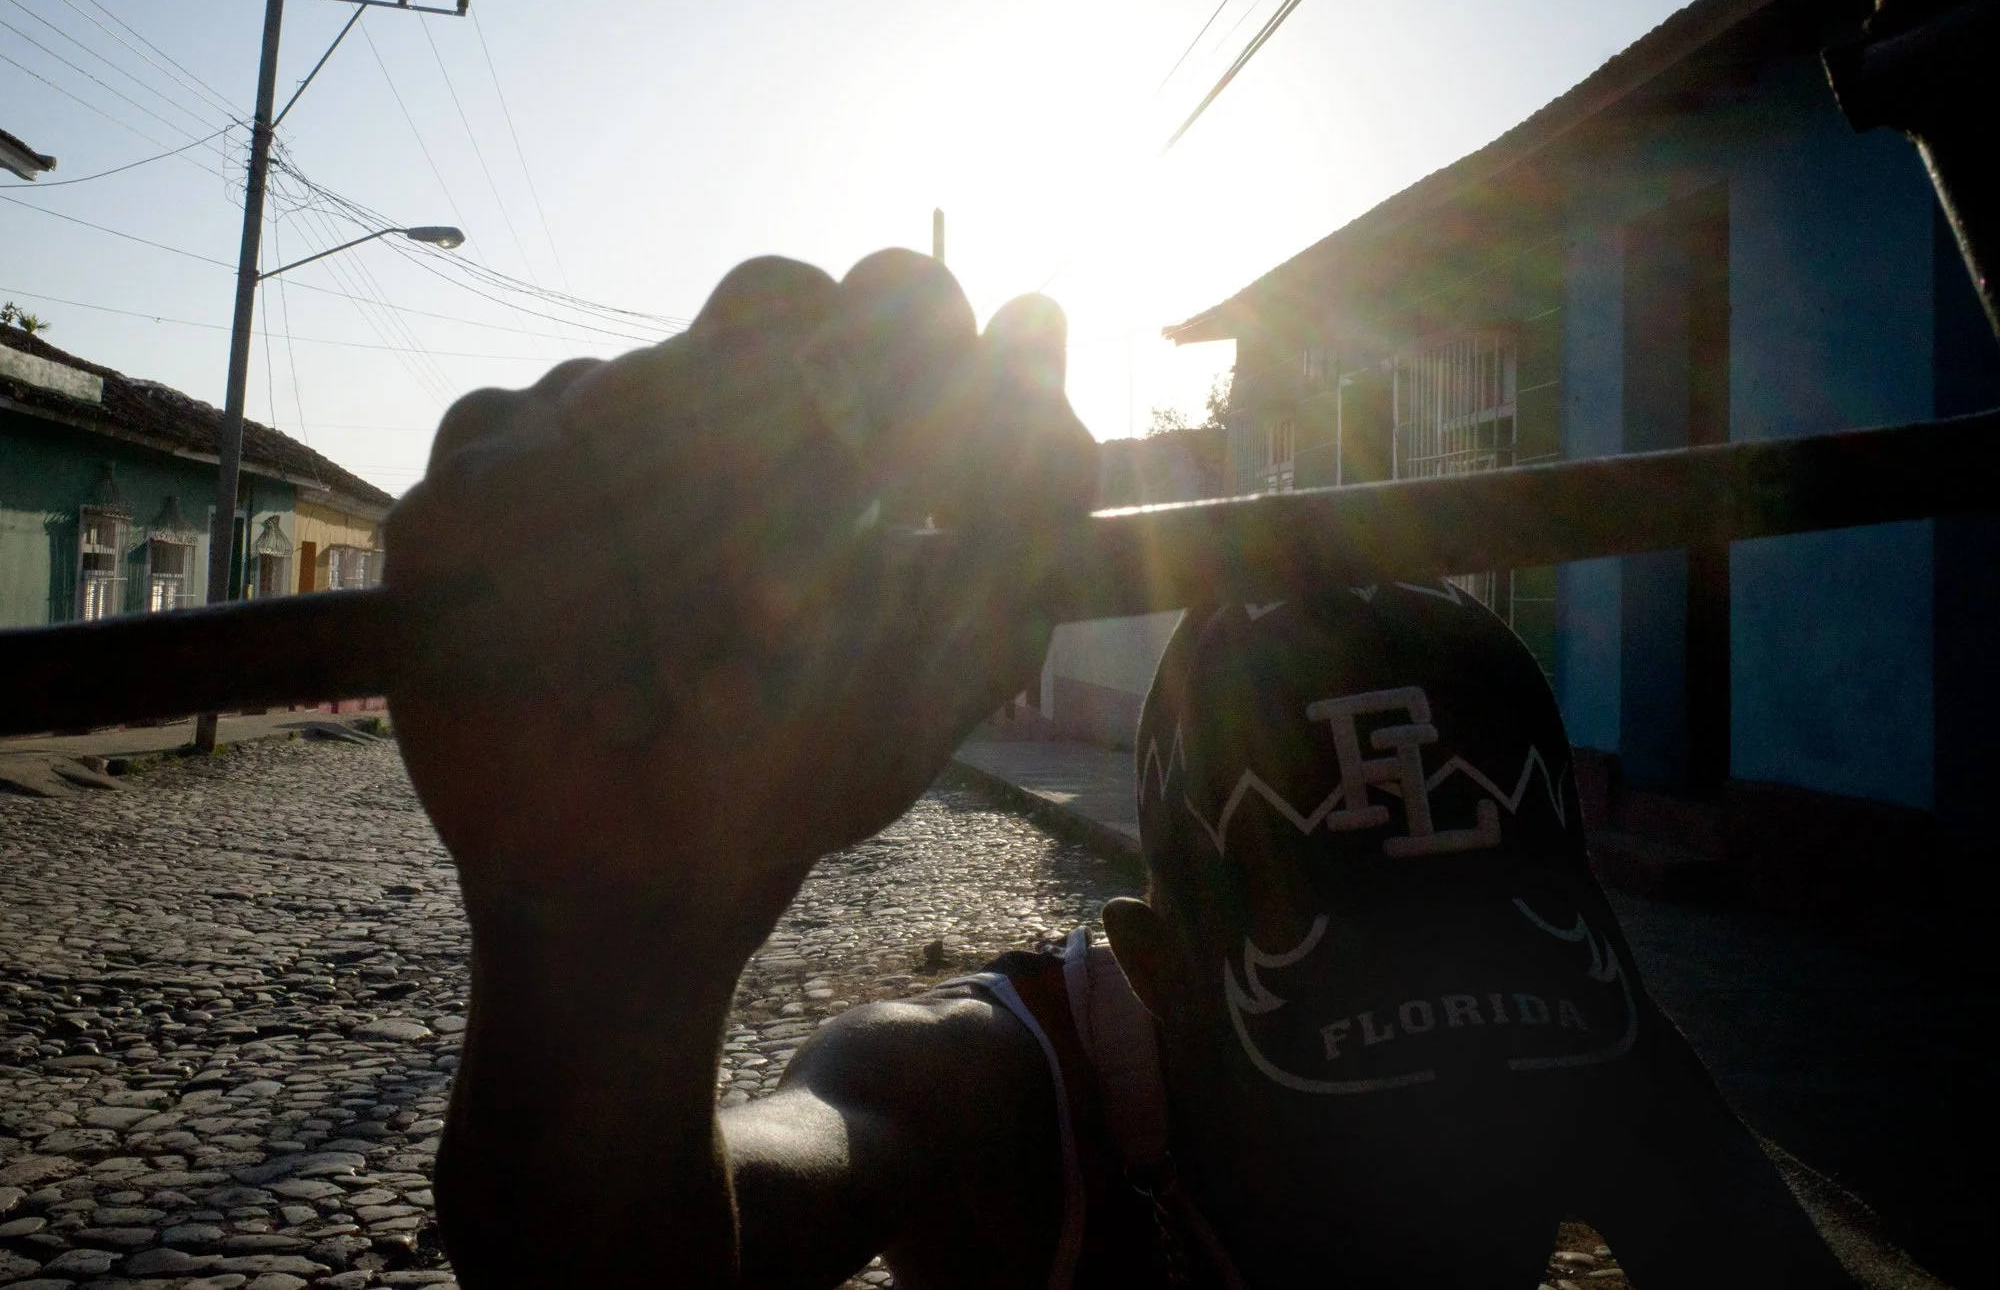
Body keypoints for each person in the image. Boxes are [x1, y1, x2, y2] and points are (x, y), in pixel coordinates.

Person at [384, 250, 1853, 1288]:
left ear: (1598, 967)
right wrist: (607, 980)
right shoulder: (986, 1090)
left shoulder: (1597, 1057)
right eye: (1358, 1064)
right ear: (1157, 967)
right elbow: (671, 1239)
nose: (1455, 1165)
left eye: (1508, 1057)